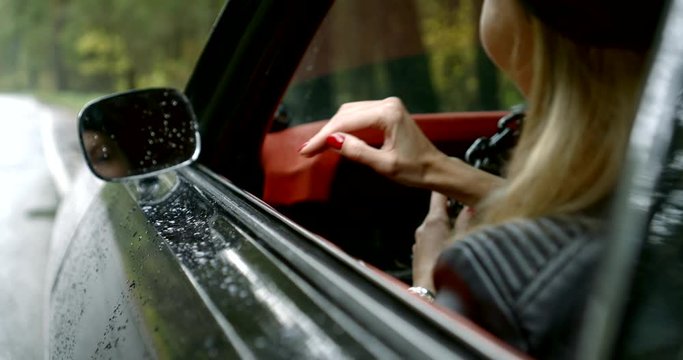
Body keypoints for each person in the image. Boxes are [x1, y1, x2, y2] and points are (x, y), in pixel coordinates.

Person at [299, 0, 666, 357]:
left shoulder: (490, 274)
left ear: (533, 21)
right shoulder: (662, 190)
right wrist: (436, 168)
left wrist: (427, 287)